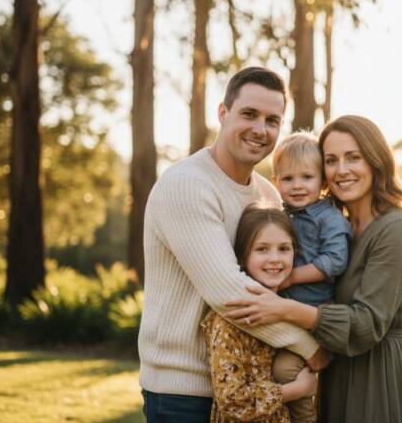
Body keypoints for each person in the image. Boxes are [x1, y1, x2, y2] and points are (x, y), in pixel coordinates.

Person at [138, 67, 330, 422]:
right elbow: (231, 294)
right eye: (249, 114)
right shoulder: (187, 185)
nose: (260, 129)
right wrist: (310, 347)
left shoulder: (269, 195)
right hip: (184, 390)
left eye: (272, 120)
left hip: (253, 386)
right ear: (223, 113)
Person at [225, 115, 402, 422]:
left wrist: (283, 308)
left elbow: (366, 324)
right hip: (337, 374)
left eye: (353, 158)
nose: (341, 170)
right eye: (331, 160)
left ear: (376, 161)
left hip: (379, 378)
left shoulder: (397, 230)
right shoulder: (341, 228)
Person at [202, 205, 317, 422]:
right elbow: (233, 401)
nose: (275, 258)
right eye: (262, 249)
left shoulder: (291, 309)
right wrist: (298, 389)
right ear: (243, 257)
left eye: (284, 248)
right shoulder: (232, 317)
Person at [269, 132, 352, 423]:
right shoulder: (280, 216)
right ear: (276, 181)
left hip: (311, 317)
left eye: (307, 177)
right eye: (288, 179)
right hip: (281, 316)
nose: (298, 186)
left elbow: (335, 260)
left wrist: (291, 278)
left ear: (323, 182)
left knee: (285, 371)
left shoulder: (328, 218)